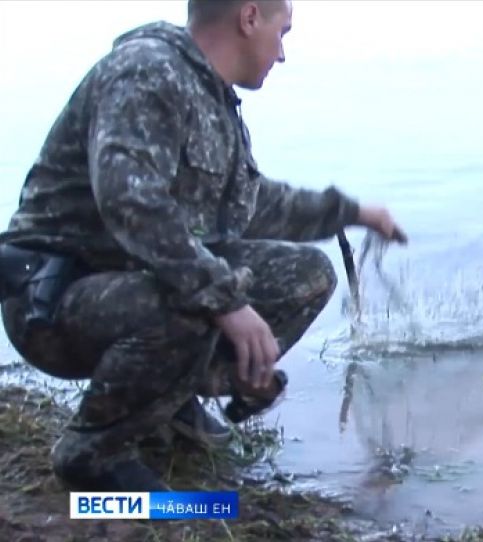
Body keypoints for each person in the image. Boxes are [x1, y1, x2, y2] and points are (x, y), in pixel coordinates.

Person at [0, 0, 405, 491]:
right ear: (249, 17)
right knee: (195, 302)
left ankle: (167, 404)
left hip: (123, 284)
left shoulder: (212, 98)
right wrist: (227, 303)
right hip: (51, 302)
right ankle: (93, 455)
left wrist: (354, 213)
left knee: (305, 275)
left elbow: (251, 207)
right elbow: (131, 202)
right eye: (284, 32)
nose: (282, 55)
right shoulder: (145, 71)